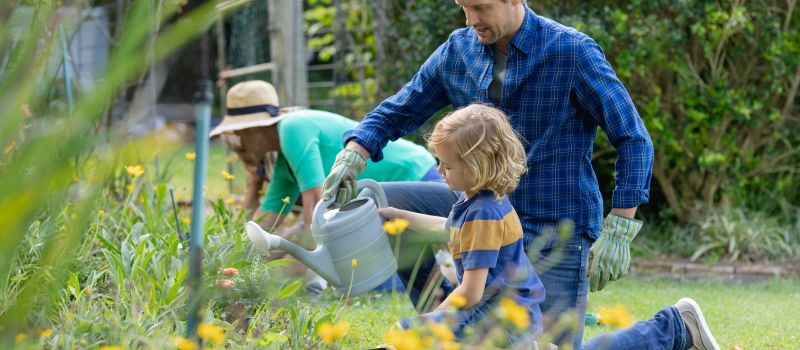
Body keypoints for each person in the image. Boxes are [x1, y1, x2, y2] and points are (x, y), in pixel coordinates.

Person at [321, 1, 719, 349]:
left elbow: (632, 137)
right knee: (388, 204)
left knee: (543, 348)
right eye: (464, 7)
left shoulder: (571, 52)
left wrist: (621, 225)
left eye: (481, 8)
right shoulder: (457, 52)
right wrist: (355, 152)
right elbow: (398, 109)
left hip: (553, 223)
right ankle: (447, 328)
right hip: (481, 206)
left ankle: (674, 328)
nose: (470, 19)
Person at [209, 80, 443, 293]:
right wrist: (237, 259)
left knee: (366, 281)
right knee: (361, 270)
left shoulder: (292, 128)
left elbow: (316, 205)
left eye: (242, 134)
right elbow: (267, 218)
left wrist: (317, 271)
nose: (240, 143)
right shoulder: (284, 161)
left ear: (256, 129)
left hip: (414, 175)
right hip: (379, 198)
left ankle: (448, 271)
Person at [379, 103, 544, 345]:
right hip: (501, 313)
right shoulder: (477, 198)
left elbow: (470, 293)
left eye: (448, 165)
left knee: (405, 331)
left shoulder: (483, 214)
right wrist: (399, 215)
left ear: (477, 166)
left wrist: (432, 320)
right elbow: (447, 228)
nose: (439, 170)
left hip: (502, 323)